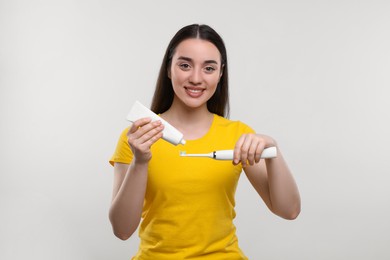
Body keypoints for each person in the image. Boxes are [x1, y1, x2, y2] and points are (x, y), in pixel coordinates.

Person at [109, 24, 301, 260]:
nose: (196, 78)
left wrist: (273, 150)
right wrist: (140, 161)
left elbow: (289, 210)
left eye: (208, 68)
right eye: (185, 65)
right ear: (169, 69)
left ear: (220, 74)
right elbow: (122, 230)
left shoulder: (238, 136)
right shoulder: (139, 137)